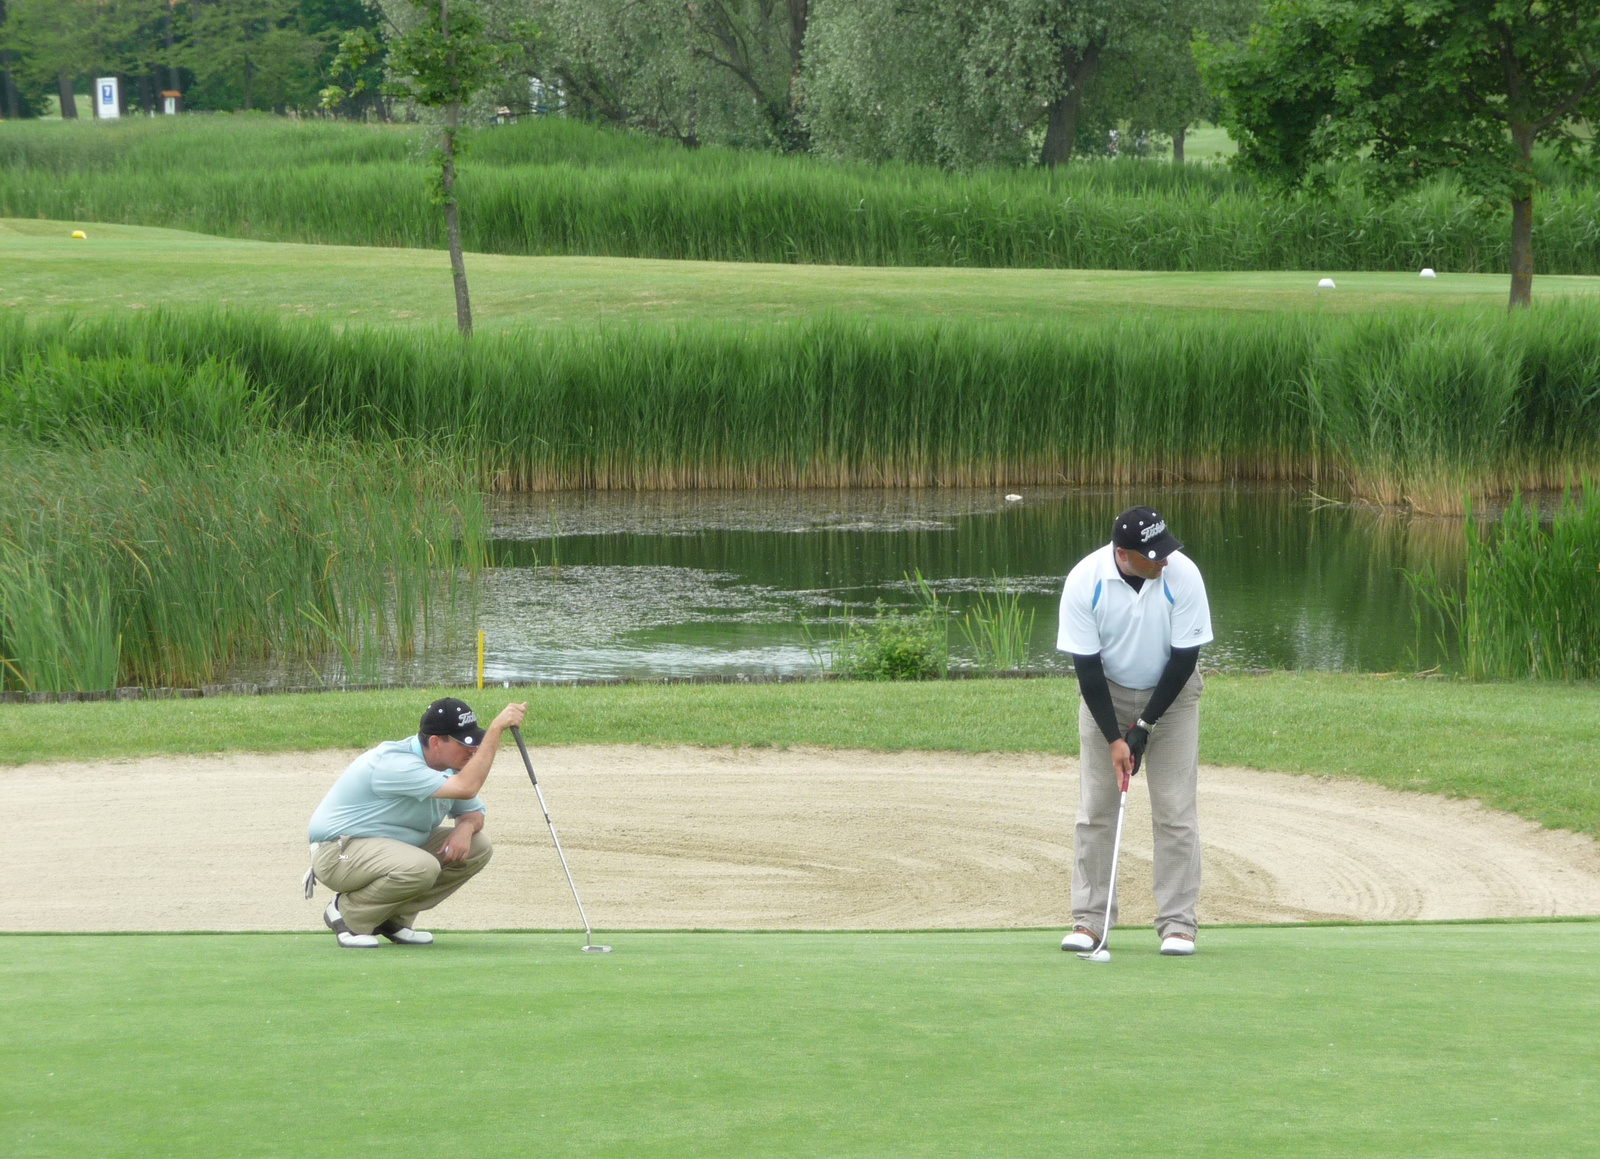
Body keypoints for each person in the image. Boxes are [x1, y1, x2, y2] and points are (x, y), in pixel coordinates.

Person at [1056, 506, 1213, 956]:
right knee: (1096, 810)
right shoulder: (1085, 581)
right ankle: (1089, 921)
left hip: (1173, 697)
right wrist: (1115, 738)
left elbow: (1185, 658)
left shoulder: (1182, 575)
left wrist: (1144, 726)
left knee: (1175, 810)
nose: (1164, 560)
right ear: (1123, 555)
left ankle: (1178, 925)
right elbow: (1086, 669)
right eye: (1152, 554)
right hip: (1105, 693)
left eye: (1166, 549)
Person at [305, 696, 527, 949]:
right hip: (338, 853)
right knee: (422, 867)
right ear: (435, 742)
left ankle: (391, 918)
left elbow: (473, 814)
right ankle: (346, 914)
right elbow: (467, 788)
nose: (473, 750)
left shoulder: (449, 765)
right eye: (464, 743)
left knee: (478, 846)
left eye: (475, 742)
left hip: (385, 853)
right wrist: (496, 730)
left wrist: (464, 829)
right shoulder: (396, 763)